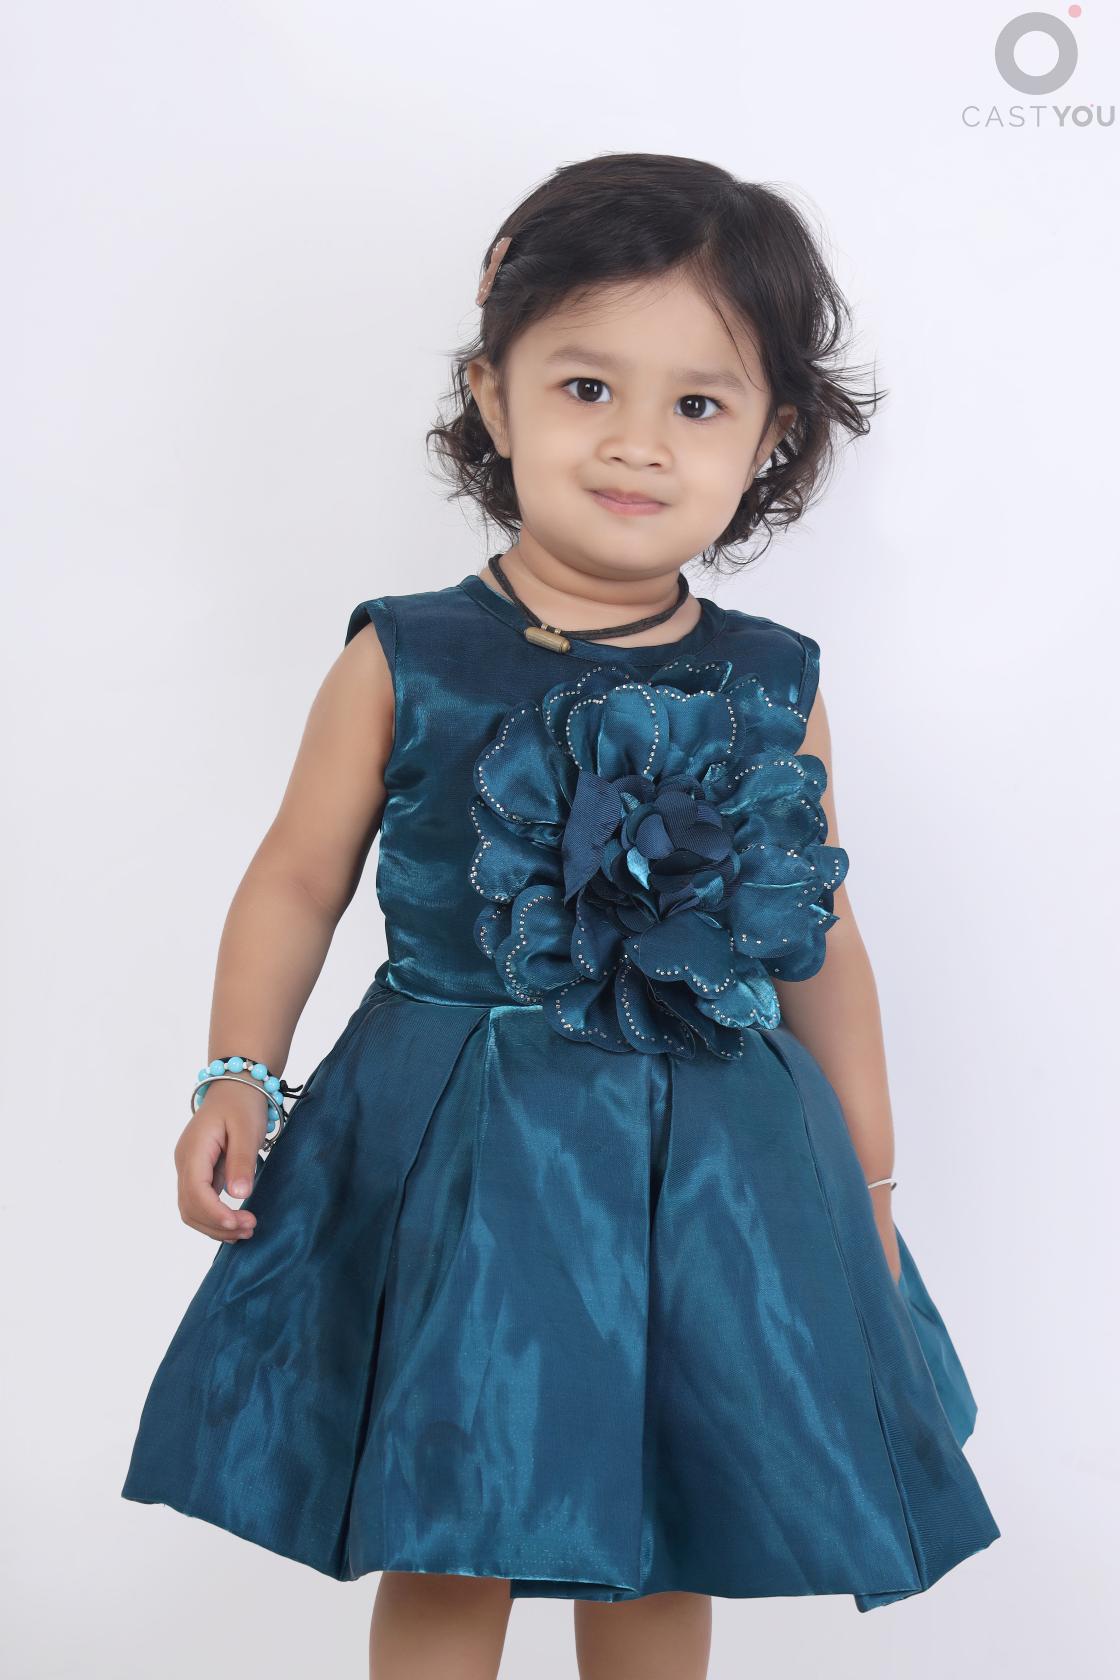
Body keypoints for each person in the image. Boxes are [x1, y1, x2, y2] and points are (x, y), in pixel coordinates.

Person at [121, 152, 1000, 1680]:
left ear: (772, 438)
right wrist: (239, 1073)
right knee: (450, 1509)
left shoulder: (772, 682)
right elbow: (297, 878)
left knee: (669, 1518)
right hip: (461, 1152)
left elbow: (820, 936)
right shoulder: (405, 658)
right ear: (495, 394)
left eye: (699, 404)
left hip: (706, 1169)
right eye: (588, 386)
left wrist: (869, 1173)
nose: (637, 441)